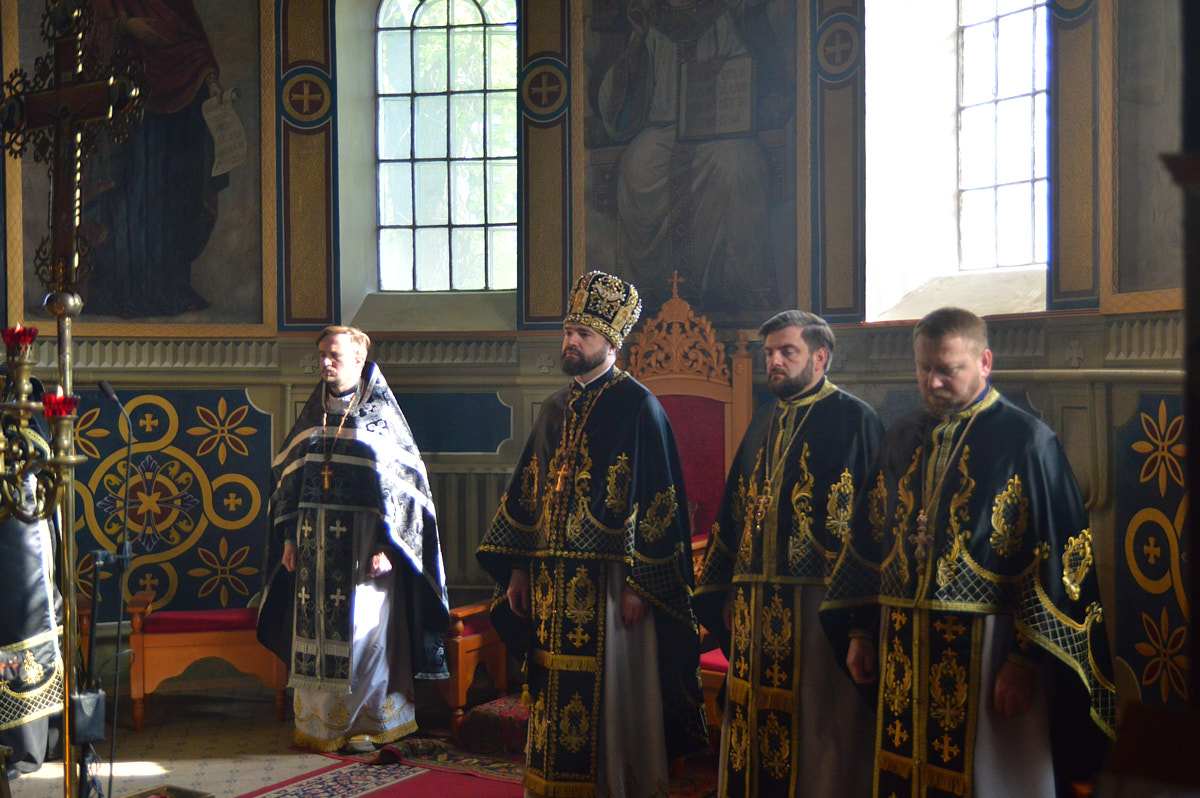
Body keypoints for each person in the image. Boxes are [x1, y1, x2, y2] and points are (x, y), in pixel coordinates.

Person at [821, 307, 1116, 798]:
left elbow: (1059, 560)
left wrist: (1024, 660)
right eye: (923, 369)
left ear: (984, 362)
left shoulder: (1027, 441)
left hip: (990, 648)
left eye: (947, 369)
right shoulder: (900, 437)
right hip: (902, 641)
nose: (932, 382)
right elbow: (869, 542)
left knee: (991, 776)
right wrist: (860, 631)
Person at [477, 271, 708, 797]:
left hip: (610, 583)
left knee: (613, 690)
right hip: (551, 583)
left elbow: (659, 502)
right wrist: (518, 569)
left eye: (583, 333)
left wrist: (640, 585)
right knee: (553, 683)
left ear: (611, 341)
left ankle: (613, 784)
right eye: (567, 331)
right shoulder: (554, 409)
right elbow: (527, 496)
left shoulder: (639, 407)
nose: (571, 342)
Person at [693, 310, 882, 797]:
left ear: (820, 357)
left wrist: (860, 623)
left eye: (787, 352)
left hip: (821, 609)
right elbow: (734, 512)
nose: (773, 361)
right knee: (754, 726)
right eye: (769, 352)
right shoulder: (764, 420)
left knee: (819, 729)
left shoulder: (855, 420)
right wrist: (727, 589)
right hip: (754, 609)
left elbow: (873, 530)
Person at [257, 325, 449, 754]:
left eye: (335, 356)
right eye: (322, 355)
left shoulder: (381, 419)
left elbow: (404, 493)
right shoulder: (313, 416)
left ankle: (368, 723)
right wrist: (288, 539)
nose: (325, 363)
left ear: (359, 360)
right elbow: (290, 483)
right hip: (313, 543)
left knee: (365, 633)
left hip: (364, 545)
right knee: (314, 630)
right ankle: (320, 725)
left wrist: (388, 546)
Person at [597, 0, 788, 312]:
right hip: (665, 127)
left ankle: (738, 289)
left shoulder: (729, 13)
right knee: (637, 166)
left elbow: (764, 73)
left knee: (738, 164)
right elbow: (623, 99)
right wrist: (636, 43)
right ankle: (647, 294)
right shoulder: (651, 18)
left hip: (721, 130)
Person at [81, 0, 230, 318]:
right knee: (130, 194)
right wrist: (123, 27)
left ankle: (169, 285)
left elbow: (193, 41)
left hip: (178, 114)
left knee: (174, 195)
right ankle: (123, 288)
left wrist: (208, 77)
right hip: (127, 105)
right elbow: (88, 42)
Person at [0, 373, 63, 780]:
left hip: (19, 533)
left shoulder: (22, 420)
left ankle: (27, 743)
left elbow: (37, 466)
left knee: (23, 629)